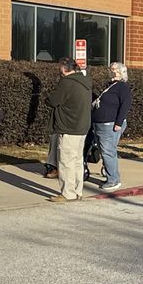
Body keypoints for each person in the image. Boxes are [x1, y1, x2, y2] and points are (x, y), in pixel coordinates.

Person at [45, 57, 92, 202]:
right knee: (78, 160)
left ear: (64, 68)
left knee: (66, 162)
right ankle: (77, 191)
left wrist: (46, 97)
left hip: (68, 126)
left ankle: (67, 193)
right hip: (82, 126)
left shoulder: (67, 82)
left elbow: (53, 101)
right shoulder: (86, 82)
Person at [92, 62, 131, 191]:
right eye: (111, 69)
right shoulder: (111, 86)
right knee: (107, 152)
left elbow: (125, 105)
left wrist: (118, 123)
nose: (111, 72)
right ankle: (113, 177)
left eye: (114, 70)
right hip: (101, 123)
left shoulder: (122, 87)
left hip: (110, 124)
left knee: (108, 152)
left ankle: (113, 180)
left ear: (121, 72)